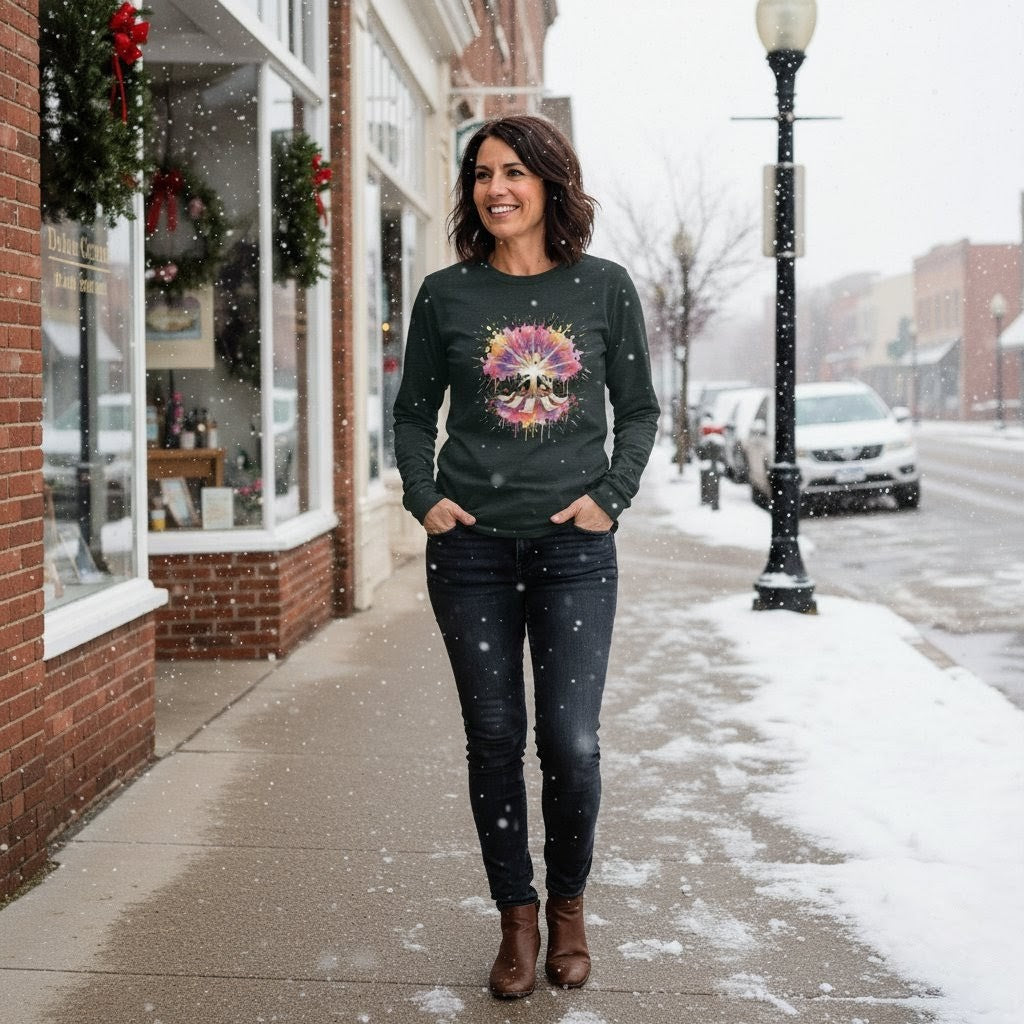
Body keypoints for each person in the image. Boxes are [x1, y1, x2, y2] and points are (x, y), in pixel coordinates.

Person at [393, 114, 660, 999]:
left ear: (549, 183)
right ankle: (517, 917)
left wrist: (611, 497)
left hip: (573, 552)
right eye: (482, 174)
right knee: (495, 741)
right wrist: (423, 496)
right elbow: (412, 412)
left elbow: (640, 409)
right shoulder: (446, 295)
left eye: (513, 172)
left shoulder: (604, 288)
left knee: (571, 745)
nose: (495, 188)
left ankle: (569, 906)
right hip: (470, 553)